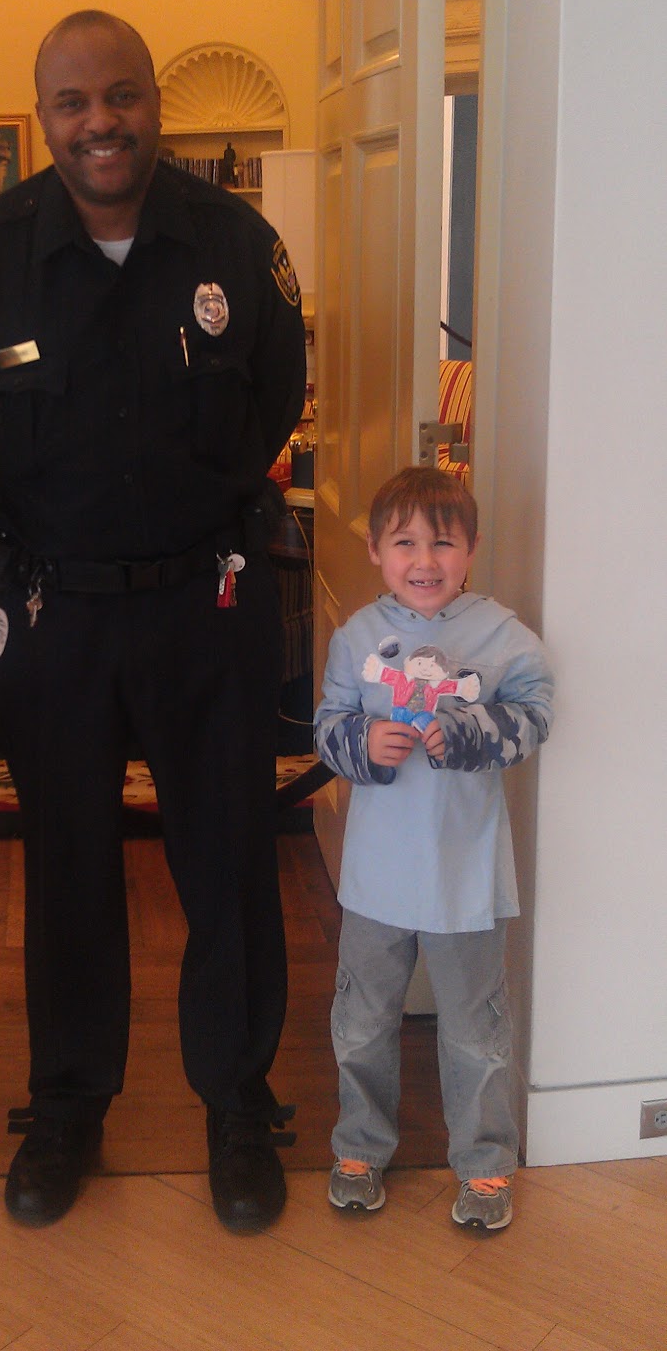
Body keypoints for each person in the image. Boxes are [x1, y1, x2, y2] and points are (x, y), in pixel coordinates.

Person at [0, 9, 306, 1234]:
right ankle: (67, 1105)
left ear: (156, 101)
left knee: (230, 862)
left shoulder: (238, 245)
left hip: (209, 604)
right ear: (45, 116)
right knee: (69, 868)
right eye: (74, 102)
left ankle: (237, 1106)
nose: (102, 122)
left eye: (123, 95)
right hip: (58, 619)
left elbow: (278, 401)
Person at [313, 465, 553, 1232]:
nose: (424, 560)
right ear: (376, 550)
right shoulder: (357, 637)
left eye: (443, 543)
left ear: (471, 549)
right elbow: (325, 726)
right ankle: (359, 1147)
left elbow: (535, 713)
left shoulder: (501, 635)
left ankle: (484, 1162)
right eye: (404, 543)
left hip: (466, 880)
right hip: (374, 880)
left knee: (475, 1031)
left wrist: (469, 731)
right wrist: (361, 742)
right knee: (361, 1021)